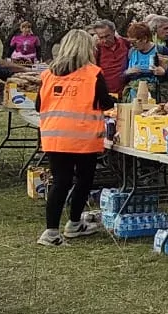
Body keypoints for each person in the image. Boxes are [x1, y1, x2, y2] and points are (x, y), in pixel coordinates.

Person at [35, 30, 115, 247]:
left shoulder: (48, 74)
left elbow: (38, 105)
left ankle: (51, 231)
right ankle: (73, 223)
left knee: (60, 181)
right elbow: (105, 103)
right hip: (83, 136)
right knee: (84, 179)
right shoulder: (92, 73)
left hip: (54, 136)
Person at [121, 20, 168, 101]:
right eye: (130, 42)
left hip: (156, 95)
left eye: (134, 42)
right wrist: (127, 72)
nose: (132, 45)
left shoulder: (161, 50)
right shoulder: (131, 52)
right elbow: (121, 74)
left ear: (144, 39)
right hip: (134, 95)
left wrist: (164, 73)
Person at [85, 20, 130, 99]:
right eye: (101, 37)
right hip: (106, 92)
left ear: (113, 32)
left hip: (125, 92)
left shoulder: (125, 43)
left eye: (107, 36)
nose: (105, 40)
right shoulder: (97, 49)